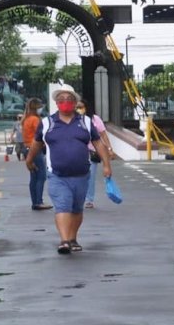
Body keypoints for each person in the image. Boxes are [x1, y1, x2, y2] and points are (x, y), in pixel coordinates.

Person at [25, 84, 112, 254]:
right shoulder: (47, 123)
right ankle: (64, 241)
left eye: (69, 100)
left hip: (81, 174)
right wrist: (29, 160)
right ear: (56, 103)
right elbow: (36, 143)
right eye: (61, 100)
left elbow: (98, 143)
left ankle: (72, 238)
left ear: (75, 102)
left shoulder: (85, 122)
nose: (65, 103)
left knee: (76, 209)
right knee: (62, 205)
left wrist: (107, 165)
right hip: (57, 175)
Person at [76, 98, 114, 209]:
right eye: (77, 107)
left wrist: (109, 149)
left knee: (90, 176)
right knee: (78, 176)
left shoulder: (95, 119)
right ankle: (79, 197)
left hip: (92, 152)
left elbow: (103, 135)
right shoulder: (73, 119)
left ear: (86, 108)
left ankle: (89, 199)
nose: (79, 109)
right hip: (78, 151)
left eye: (81, 107)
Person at [22, 98, 52, 211]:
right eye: (40, 106)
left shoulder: (27, 119)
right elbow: (41, 134)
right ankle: (39, 202)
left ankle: (35, 201)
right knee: (41, 176)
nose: (41, 109)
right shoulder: (35, 120)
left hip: (27, 148)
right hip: (35, 150)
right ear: (36, 107)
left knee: (34, 177)